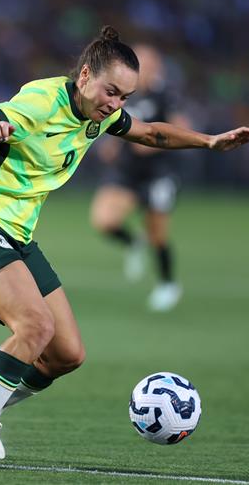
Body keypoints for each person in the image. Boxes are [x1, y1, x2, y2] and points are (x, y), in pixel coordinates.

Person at [0, 26, 249, 470]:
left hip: (17, 236)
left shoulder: (99, 114)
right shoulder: (41, 101)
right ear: (85, 75)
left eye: (125, 97)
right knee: (34, 327)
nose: (116, 104)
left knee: (67, 354)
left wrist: (209, 141)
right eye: (111, 91)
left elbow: (151, 134)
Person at [89, 43, 192, 311]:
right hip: (127, 170)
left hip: (158, 173)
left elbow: (183, 128)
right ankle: (133, 243)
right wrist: (110, 145)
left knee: (157, 234)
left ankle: (168, 283)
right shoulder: (124, 95)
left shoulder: (165, 96)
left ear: (157, 69)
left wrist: (153, 142)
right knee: (103, 220)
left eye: (145, 64)